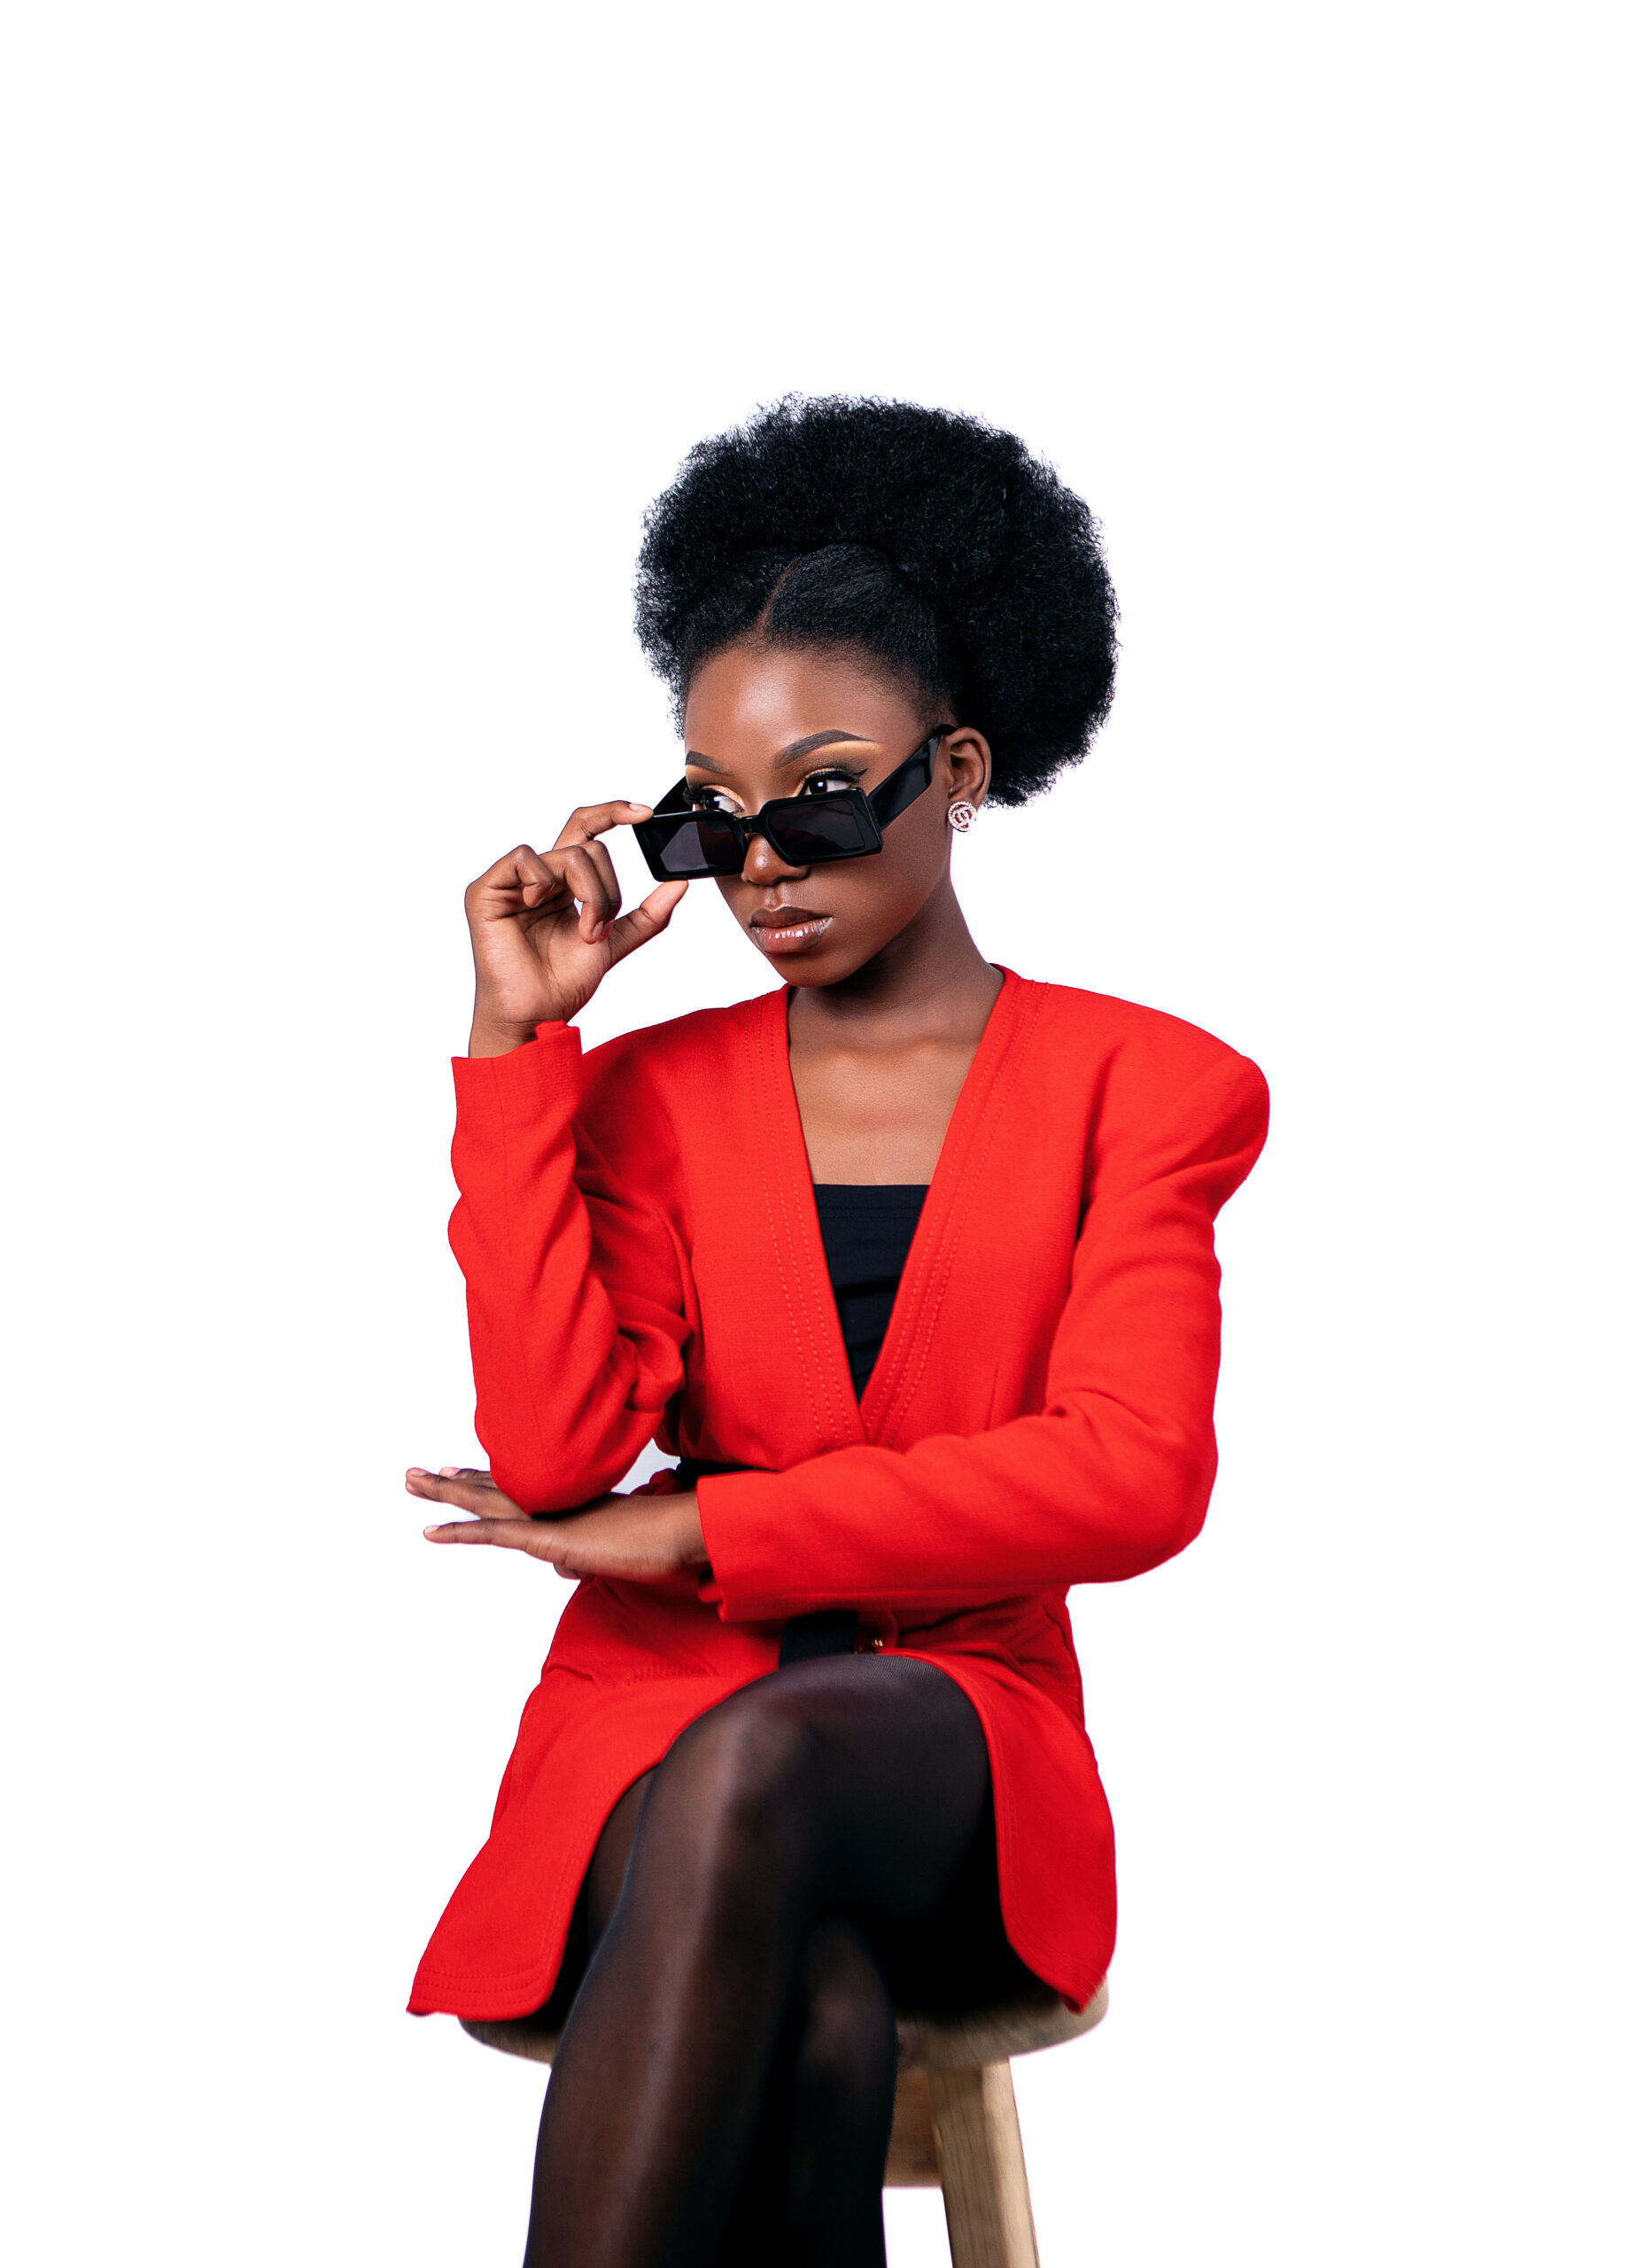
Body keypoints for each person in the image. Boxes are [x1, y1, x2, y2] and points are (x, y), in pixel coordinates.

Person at [405, 397, 1269, 2268]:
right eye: (709, 821)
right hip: (645, 1734)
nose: (762, 866)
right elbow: (556, 1455)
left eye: (815, 795)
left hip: (953, 1731)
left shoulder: (1149, 1086)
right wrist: (517, 1047)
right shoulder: (640, 1098)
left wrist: (710, 1527)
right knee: (809, 2012)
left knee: (770, 1759)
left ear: (954, 770)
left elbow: (1131, 1477)